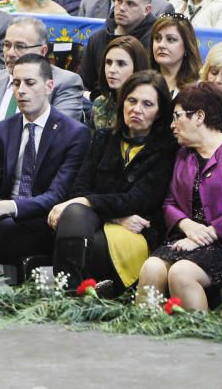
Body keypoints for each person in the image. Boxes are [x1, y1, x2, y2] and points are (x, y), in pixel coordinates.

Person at [136, 82, 222, 311]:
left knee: (181, 273)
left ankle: (199, 339)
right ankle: (148, 337)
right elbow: (168, 202)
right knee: (151, 268)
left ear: (199, 116)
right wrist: (186, 225)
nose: (172, 125)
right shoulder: (182, 154)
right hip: (190, 239)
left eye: (177, 116)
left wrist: (211, 231)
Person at [0, 54, 90, 270]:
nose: (21, 90)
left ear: (49, 86)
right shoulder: (4, 129)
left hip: (42, 219)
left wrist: (4, 207)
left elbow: (57, 195)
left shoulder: (73, 133)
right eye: (16, 83)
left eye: (29, 83)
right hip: (2, 212)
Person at [48, 71, 176, 293]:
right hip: (108, 220)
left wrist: (88, 202)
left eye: (147, 104)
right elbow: (79, 188)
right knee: (75, 214)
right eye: (131, 100)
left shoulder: (167, 148)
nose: (136, 109)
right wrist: (115, 217)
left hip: (138, 229)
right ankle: (73, 295)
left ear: (159, 113)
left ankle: (74, 294)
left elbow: (138, 200)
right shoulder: (103, 138)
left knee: (81, 229)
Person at [0, 18, 85, 129]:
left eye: (20, 46)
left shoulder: (65, 82)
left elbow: (59, 132)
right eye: (7, 45)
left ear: (43, 51)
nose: (10, 53)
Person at [79, 0, 158, 93]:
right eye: (119, 1)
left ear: (147, 10)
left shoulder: (156, 41)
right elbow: (84, 84)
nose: (121, 8)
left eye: (130, 4)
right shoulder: (97, 38)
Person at [89, 35, 149, 131]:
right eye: (108, 62)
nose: (112, 70)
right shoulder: (99, 103)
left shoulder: (148, 107)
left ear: (137, 67)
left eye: (121, 64)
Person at [149, 13, 202, 96]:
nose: (161, 45)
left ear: (186, 46)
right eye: (157, 38)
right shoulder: (141, 80)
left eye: (170, 39)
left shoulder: (199, 88)